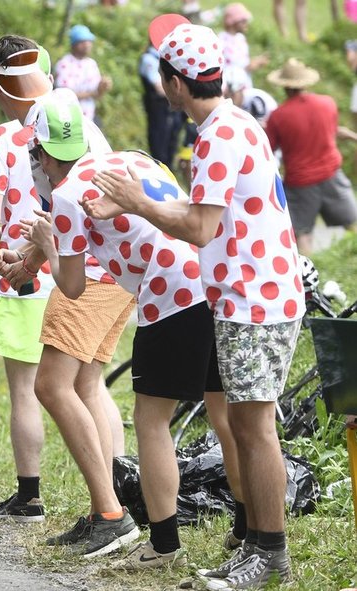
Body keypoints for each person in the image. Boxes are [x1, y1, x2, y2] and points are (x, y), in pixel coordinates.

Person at [89, 17, 304, 588]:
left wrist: (136, 201)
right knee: (241, 421)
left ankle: (270, 554)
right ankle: (254, 540)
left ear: (174, 85)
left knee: (254, 429)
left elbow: (199, 227)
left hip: (252, 297)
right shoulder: (237, 122)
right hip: (254, 291)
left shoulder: (216, 134)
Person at [23, 93, 240, 570]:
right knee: (224, 415)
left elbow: (74, 286)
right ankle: (247, 530)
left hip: (170, 297)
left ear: (41, 151)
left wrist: (46, 245)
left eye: (34, 153)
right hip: (211, 280)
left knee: (150, 421)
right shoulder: (124, 158)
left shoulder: (65, 195)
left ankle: (163, 545)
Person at [0, 37, 126, 529]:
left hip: (84, 270)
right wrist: (30, 259)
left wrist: (23, 257)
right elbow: (67, 210)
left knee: (43, 387)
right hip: (110, 266)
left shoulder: (23, 130)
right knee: (88, 384)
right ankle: (117, 498)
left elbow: (3, 217)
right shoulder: (70, 112)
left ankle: (104, 509)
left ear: (0, 84)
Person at [265, 58, 357, 255]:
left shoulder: (278, 116)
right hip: (332, 174)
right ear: (306, 82)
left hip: (300, 183)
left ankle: (314, 273)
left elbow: (269, 149)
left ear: (285, 87)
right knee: (352, 223)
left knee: (301, 233)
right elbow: (330, 132)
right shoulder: (327, 104)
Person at [54, 25, 112, 125]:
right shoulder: (64, 64)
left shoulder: (91, 64)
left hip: (89, 119)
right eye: (82, 42)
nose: (87, 45)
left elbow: (97, 95)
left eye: (89, 41)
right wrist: (93, 93)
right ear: (73, 44)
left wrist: (103, 87)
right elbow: (64, 95)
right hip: (68, 122)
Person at [140, 43, 185, 168]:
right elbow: (159, 88)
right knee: (159, 151)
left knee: (171, 146)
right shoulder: (149, 59)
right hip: (158, 109)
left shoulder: (168, 59)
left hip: (172, 110)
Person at [219, 3, 268, 93]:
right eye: (243, 21)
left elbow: (243, 63)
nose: (246, 24)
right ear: (233, 22)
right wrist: (255, 63)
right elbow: (236, 67)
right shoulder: (223, 41)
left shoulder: (240, 38)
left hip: (244, 85)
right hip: (233, 89)